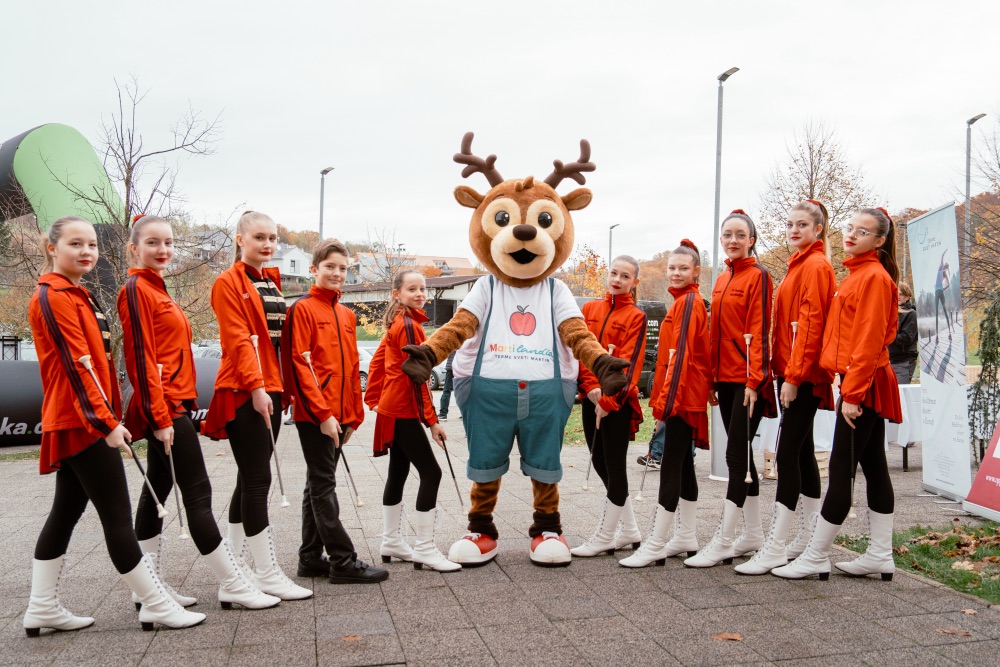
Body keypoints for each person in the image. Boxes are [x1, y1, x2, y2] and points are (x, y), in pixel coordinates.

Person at [24, 216, 204, 635]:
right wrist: (106, 423)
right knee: (117, 517)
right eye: (75, 244)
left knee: (65, 512)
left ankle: (41, 606)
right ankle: (154, 602)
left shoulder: (76, 294)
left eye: (91, 245)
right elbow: (75, 367)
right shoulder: (52, 297)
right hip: (80, 420)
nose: (86, 252)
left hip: (81, 417)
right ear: (51, 247)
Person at [119, 214, 280, 609]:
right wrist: (159, 417)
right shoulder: (138, 289)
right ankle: (233, 583)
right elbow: (139, 358)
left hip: (171, 403)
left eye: (169, 243)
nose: (164, 250)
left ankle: (148, 591)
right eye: (153, 243)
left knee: (157, 489)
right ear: (134, 248)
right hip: (164, 406)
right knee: (198, 492)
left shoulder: (157, 290)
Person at [774, 207, 903, 581]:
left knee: (841, 470)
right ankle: (880, 553)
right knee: (874, 466)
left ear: (879, 241)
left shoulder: (874, 278)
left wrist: (853, 393)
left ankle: (817, 554)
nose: (851, 235)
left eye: (862, 232)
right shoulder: (858, 273)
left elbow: (868, 340)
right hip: (858, 380)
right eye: (849, 228)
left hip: (863, 382)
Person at [203, 210, 312, 601]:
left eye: (273, 238)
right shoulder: (227, 282)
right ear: (240, 239)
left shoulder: (268, 280)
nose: (268, 245)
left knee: (248, 478)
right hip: (245, 390)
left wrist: (284, 388)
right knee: (258, 480)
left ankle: (236, 569)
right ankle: (266, 573)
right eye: (260, 237)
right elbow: (237, 338)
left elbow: (278, 342)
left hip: (271, 387)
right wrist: (256, 386)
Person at [735, 201, 836, 575]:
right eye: (790, 224)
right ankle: (812, 542)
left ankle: (776, 545)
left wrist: (793, 377)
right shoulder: (801, 263)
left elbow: (810, 325)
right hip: (794, 371)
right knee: (803, 451)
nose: (794, 230)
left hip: (803, 375)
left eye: (802, 225)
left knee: (787, 453)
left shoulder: (815, 266)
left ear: (818, 229)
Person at [281, 239, 388, 584]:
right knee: (324, 484)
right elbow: (300, 364)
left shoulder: (346, 314)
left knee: (316, 482)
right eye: (330, 267)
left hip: (342, 413)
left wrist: (354, 414)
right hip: (316, 415)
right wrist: (323, 415)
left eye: (342, 268)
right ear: (314, 269)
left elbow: (353, 363)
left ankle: (310, 557)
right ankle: (343, 560)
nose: (337, 273)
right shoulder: (302, 309)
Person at [686, 209, 777, 568]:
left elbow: (761, 330)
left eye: (741, 234)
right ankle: (752, 534)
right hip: (723, 379)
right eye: (728, 235)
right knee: (741, 456)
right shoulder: (722, 278)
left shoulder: (759, 277)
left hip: (747, 380)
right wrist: (709, 379)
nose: (733, 240)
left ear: (751, 239)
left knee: (736, 456)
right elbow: (713, 333)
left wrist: (755, 380)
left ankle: (724, 540)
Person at [622, 240, 710, 568]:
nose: (675, 273)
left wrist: (665, 403)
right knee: (683, 466)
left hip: (682, 397)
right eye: (671, 268)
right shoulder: (682, 302)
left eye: (682, 268)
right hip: (684, 395)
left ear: (696, 271)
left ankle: (656, 542)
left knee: (671, 466)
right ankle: (686, 535)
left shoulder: (687, 303)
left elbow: (682, 358)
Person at [368, 270, 458, 571]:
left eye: (423, 289)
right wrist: (432, 422)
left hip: (392, 408)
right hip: (403, 409)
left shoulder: (399, 322)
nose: (420, 294)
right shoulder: (410, 326)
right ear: (397, 294)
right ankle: (424, 548)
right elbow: (418, 378)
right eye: (412, 289)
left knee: (399, 472)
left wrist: (375, 400)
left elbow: (378, 361)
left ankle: (391, 541)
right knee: (432, 473)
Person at [571, 256, 647, 557]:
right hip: (591, 398)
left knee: (614, 466)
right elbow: (580, 350)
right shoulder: (590, 308)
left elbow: (631, 362)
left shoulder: (636, 315)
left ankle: (605, 535)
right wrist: (591, 389)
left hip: (616, 403)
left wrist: (608, 399)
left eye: (625, 276)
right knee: (599, 462)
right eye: (614, 273)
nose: (617, 279)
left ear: (634, 282)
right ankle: (629, 529)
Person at [888, 282, 918, 384]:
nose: (898, 296)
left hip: (904, 361)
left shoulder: (911, 314)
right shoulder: (891, 312)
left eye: (901, 294)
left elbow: (907, 338)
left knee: (900, 392)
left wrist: (887, 336)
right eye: (896, 293)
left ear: (908, 297)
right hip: (889, 360)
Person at [934, 251, 952, 341]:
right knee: (944, 312)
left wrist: (944, 251)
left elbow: (941, 256)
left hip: (937, 292)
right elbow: (948, 285)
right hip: (940, 292)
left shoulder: (940, 270)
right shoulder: (943, 272)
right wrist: (943, 289)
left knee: (937, 313)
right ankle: (949, 333)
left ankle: (937, 335)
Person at [437, 351, 457, 421]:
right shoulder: (464, 341)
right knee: (463, 391)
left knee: (446, 391)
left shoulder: (452, 341)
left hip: (451, 367)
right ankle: (465, 413)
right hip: (462, 368)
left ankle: (443, 414)